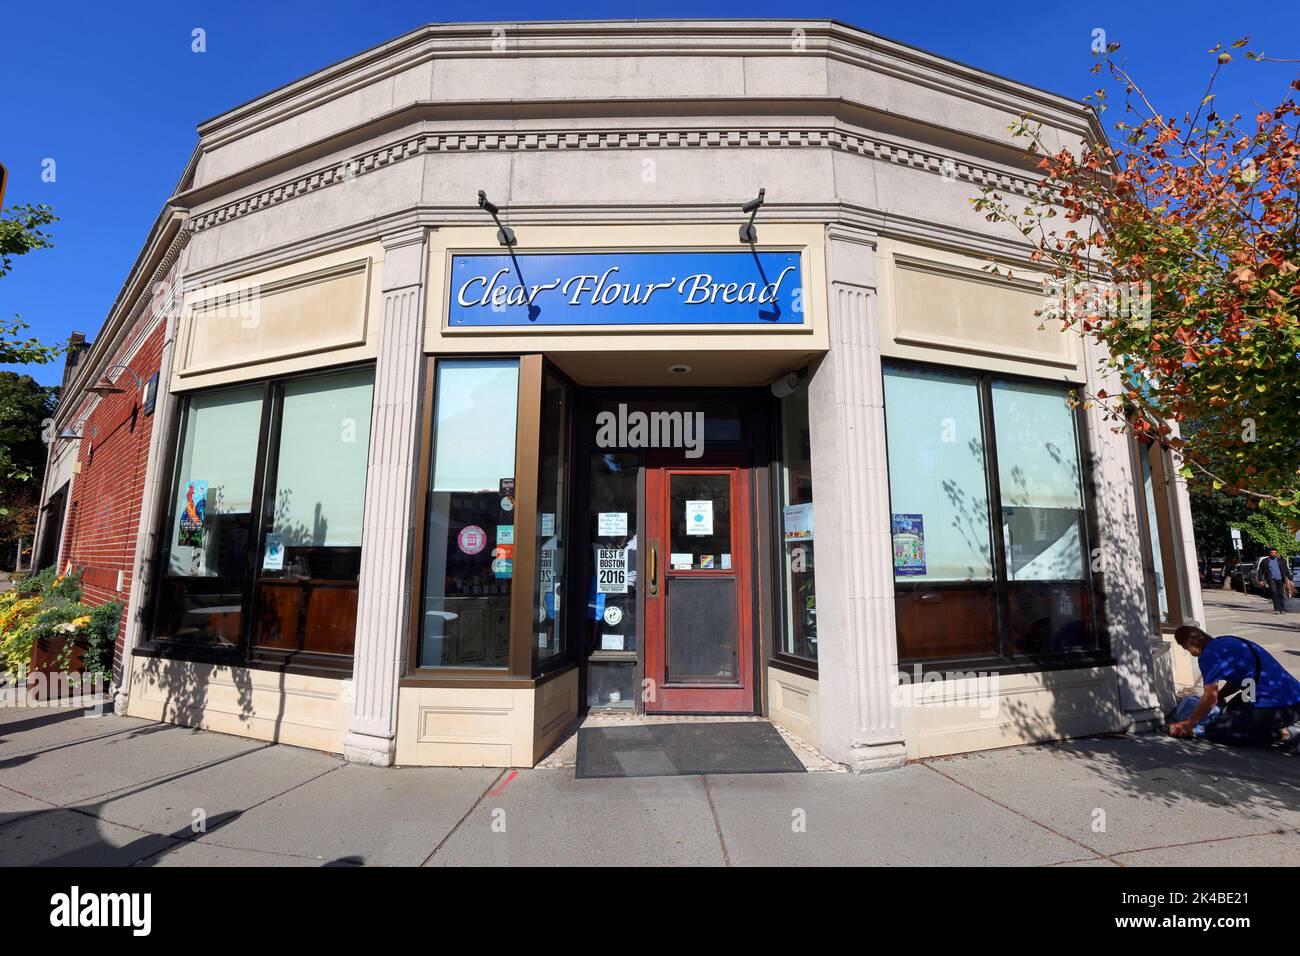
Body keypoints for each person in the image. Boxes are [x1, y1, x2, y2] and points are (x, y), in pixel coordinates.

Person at [1169, 625, 1300, 753]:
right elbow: (1238, 681)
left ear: (1188, 645)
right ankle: (1275, 725)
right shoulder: (1225, 641)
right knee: (1231, 710)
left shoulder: (1208, 656)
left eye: (1184, 647)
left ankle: (1285, 734)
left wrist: (1189, 724)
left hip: (1278, 705)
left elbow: (1210, 698)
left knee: (1216, 730)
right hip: (1292, 697)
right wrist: (1220, 697)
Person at [1259, 547, 1291, 614]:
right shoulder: (1265, 561)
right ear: (1269, 553)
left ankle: (1282, 609)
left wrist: (1290, 578)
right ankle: (1277, 609)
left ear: (1277, 553)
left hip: (1280, 579)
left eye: (1275, 553)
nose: (1273, 554)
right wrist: (1261, 580)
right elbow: (1260, 571)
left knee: (1281, 594)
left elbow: (1286, 570)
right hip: (1271, 579)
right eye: (1272, 553)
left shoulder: (1281, 560)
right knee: (1274, 592)